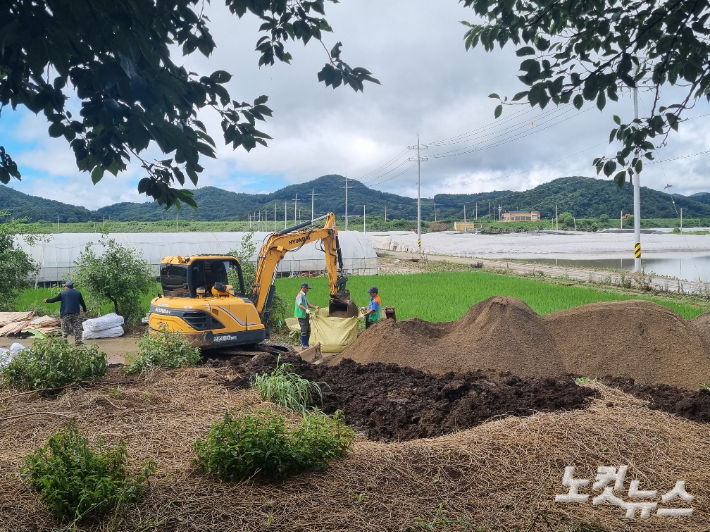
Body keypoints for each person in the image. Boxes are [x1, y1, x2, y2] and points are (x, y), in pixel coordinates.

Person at [44, 280, 87, 345]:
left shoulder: (63, 294)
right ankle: (78, 341)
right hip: (76, 313)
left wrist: (47, 300)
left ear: (67, 287)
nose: (64, 287)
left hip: (65, 314)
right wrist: (84, 309)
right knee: (76, 328)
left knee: (65, 329)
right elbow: (82, 302)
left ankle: (64, 342)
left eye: (65, 286)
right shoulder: (78, 293)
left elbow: (54, 300)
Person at [294, 282, 319, 349]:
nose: (308, 290)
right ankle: (304, 345)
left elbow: (308, 304)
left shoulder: (304, 295)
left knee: (308, 329)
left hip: (305, 314)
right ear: (303, 288)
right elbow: (300, 305)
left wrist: (315, 307)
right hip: (302, 315)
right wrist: (306, 310)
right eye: (307, 288)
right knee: (304, 330)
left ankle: (306, 344)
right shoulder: (299, 295)